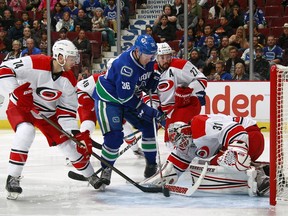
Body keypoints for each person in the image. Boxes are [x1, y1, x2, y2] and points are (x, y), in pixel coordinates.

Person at [0, 40, 100, 200]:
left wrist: (76, 135)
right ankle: (12, 178)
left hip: (48, 113)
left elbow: (67, 112)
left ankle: (91, 176)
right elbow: (4, 69)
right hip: (23, 105)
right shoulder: (35, 61)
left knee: (69, 145)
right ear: (60, 56)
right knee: (26, 131)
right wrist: (15, 93)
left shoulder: (69, 80)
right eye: (71, 58)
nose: (74, 62)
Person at [92, 34, 164, 190]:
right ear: (137, 51)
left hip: (128, 97)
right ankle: (106, 169)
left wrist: (152, 80)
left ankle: (151, 166)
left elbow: (147, 78)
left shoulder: (148, 58)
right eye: (148, 55)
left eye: (153, 55)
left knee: (149, 126)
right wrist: (149, 111)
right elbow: (126, 99)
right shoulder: (126, 66)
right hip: (110, 99)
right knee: (114, 137)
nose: (151, 58)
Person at [141, 113, 269, 197]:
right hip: (241, 142)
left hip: (251, 136)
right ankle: (265, 171)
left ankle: (260, 178)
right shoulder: (185, 147)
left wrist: (237, 152)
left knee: (225, 161)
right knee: (215, 164)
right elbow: (171, 169)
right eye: (179, 142)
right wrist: (153, 182)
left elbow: (237, 131)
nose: (183, 144)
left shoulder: (200, 124)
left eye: (183, 138)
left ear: (187, 130)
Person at [152, 42, 207, 146]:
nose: (166, 60)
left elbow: (202, 79)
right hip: (167, 110)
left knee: (175, 140)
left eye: (168, 57)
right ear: (156, 58)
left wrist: (188, 90)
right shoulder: (151, 70)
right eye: (162, 57)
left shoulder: (181, 65)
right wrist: (154, 110)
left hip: (185, 105)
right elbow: (151, 92)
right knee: (170, 143)